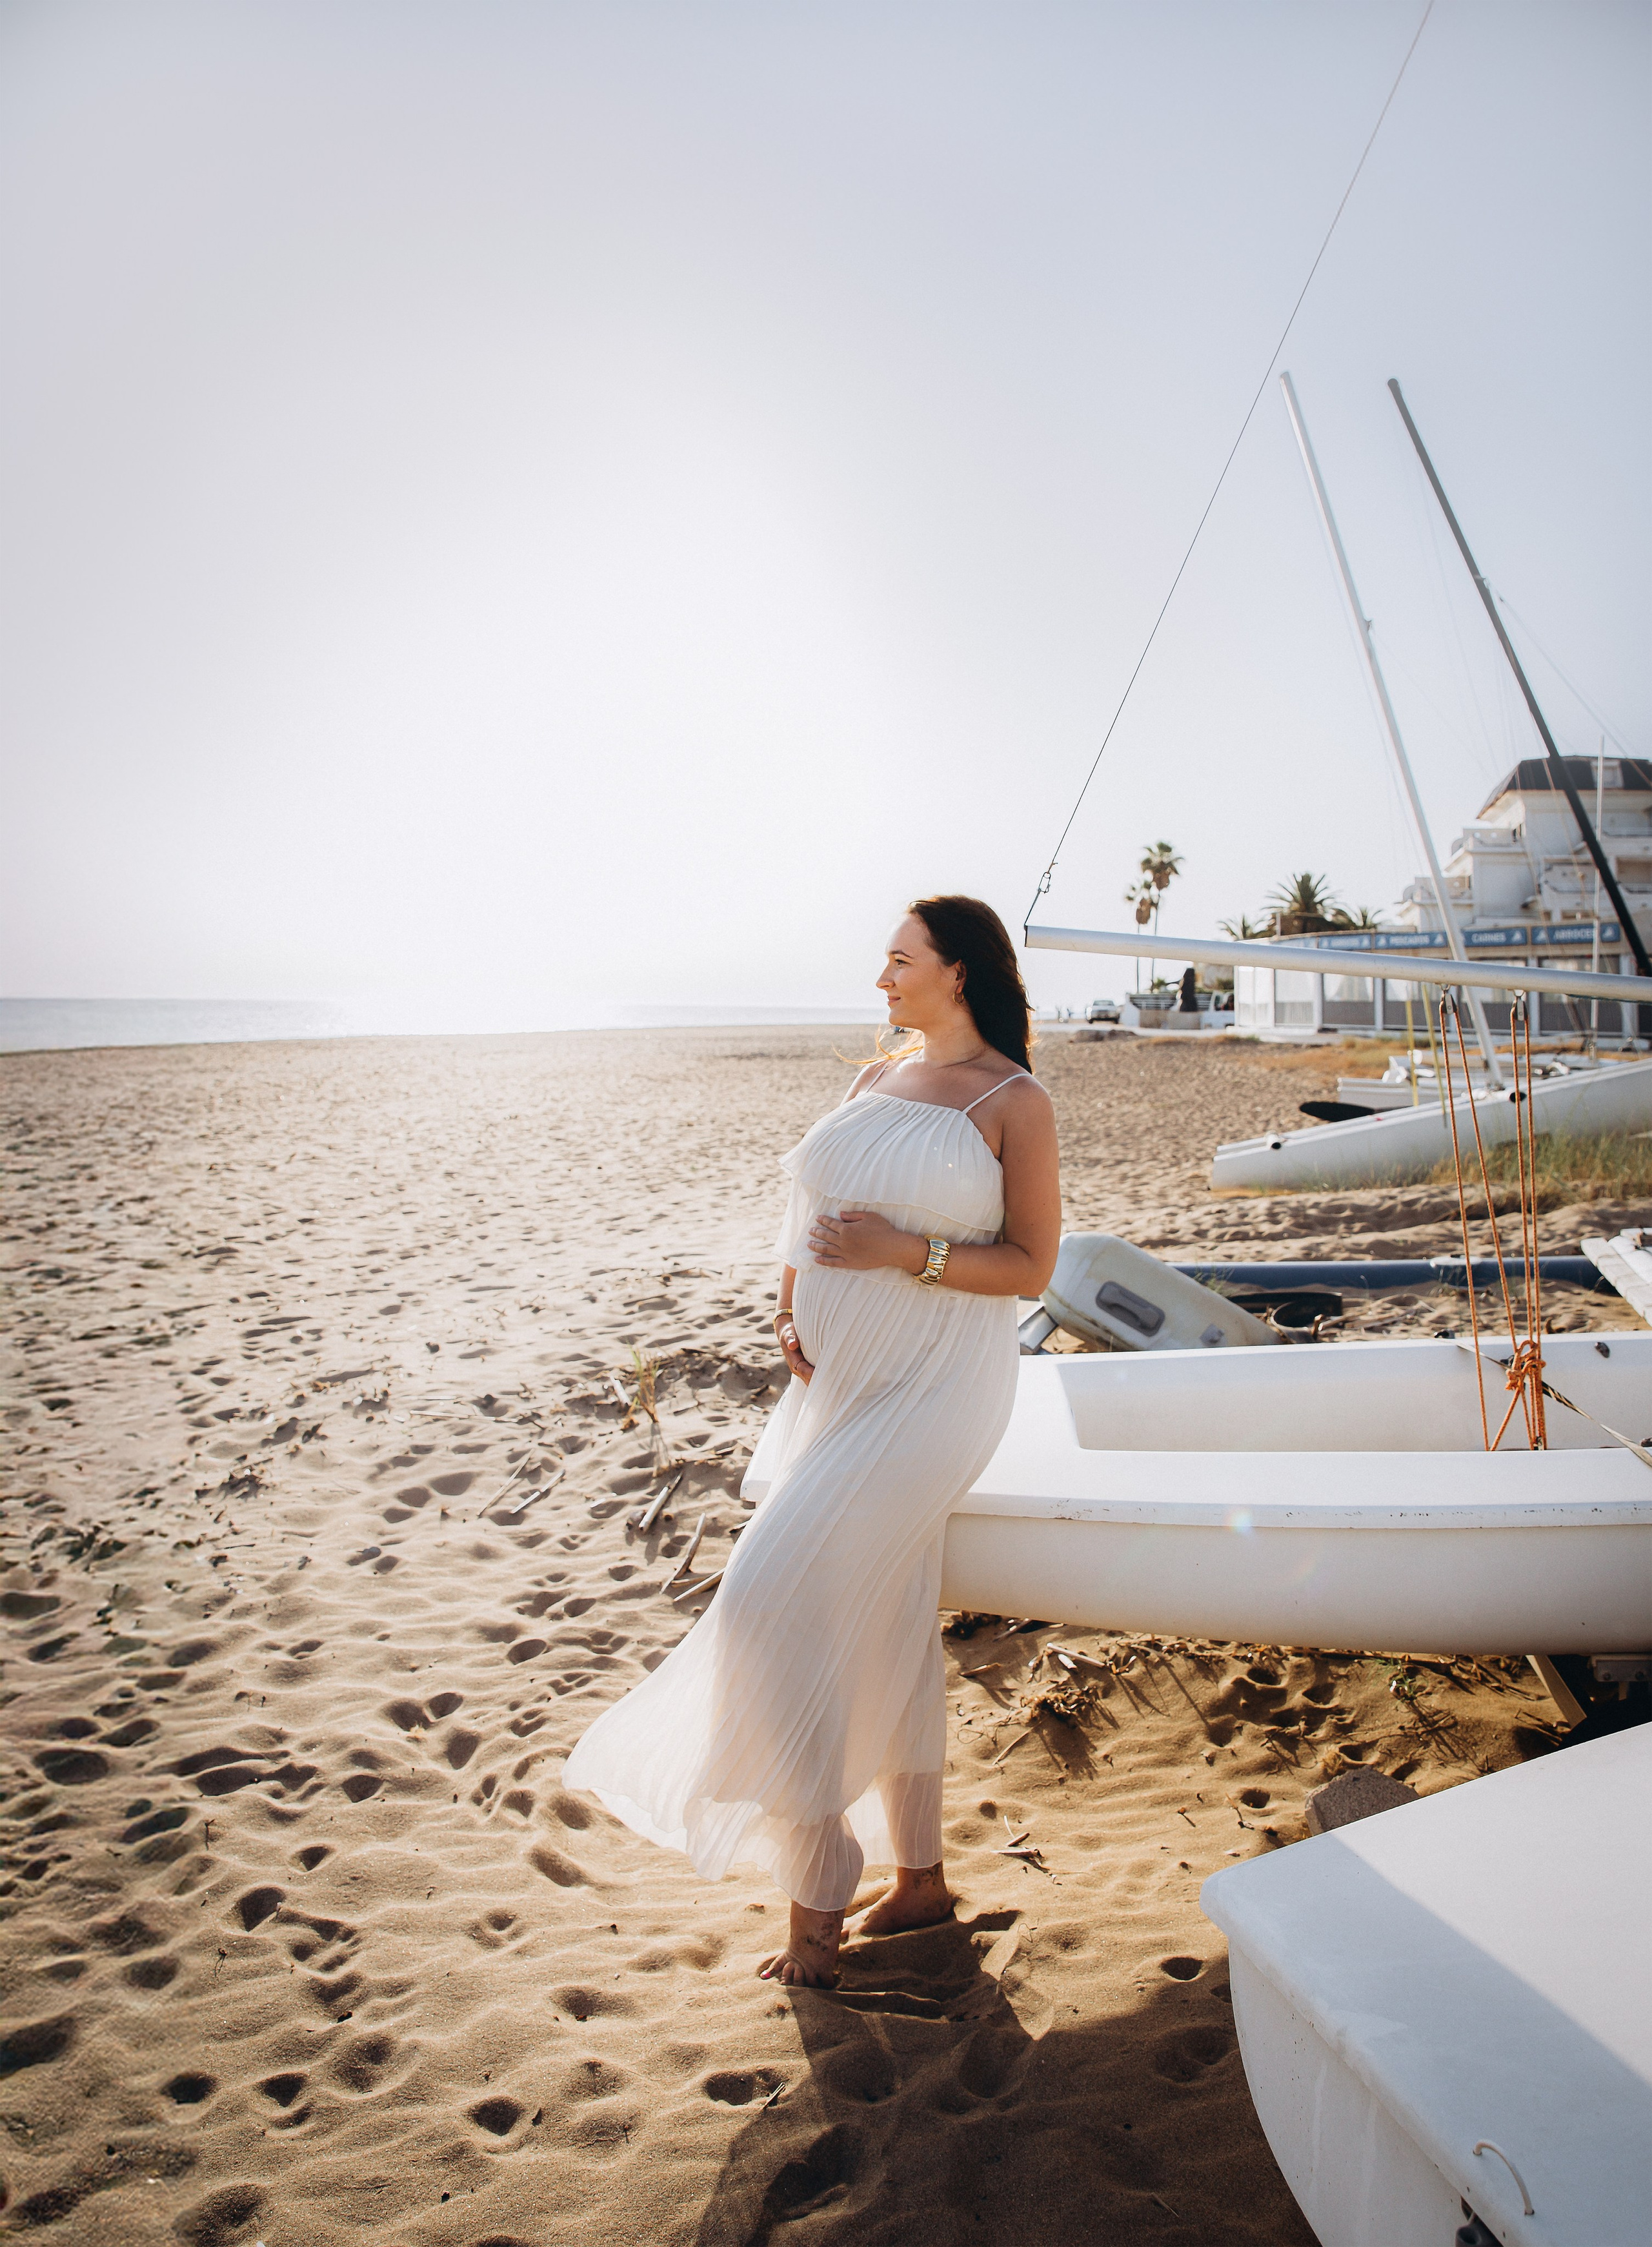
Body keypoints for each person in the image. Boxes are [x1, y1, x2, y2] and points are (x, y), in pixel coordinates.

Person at [563, 895, 1061, 1986]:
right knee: (885, 1616)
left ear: (960, 973)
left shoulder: (1014, 1100)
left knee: (767, 1598)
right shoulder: (871, 1078)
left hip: (938, 1392)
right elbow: (810, 1209)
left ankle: (817, 1900)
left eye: (899, 960)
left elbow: (1031, 1267)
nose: (881, 979)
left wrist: (903, 1253)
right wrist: (791, 1302)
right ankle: (920, 1881)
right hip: (839, 1390)